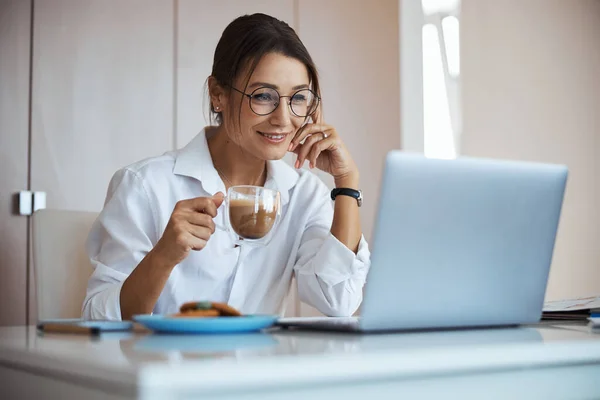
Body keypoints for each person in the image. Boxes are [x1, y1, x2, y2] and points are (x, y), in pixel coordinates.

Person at [82, 13, 370, 321]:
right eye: (263, 96)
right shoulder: (144, 185)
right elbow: (97, 316)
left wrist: (346, 184)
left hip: (257, 368)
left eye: (298, 98)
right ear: (218, 94)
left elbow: (338, 300)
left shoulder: (304, 195)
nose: (284, 119)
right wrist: (163, 256)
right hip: (162, 366)